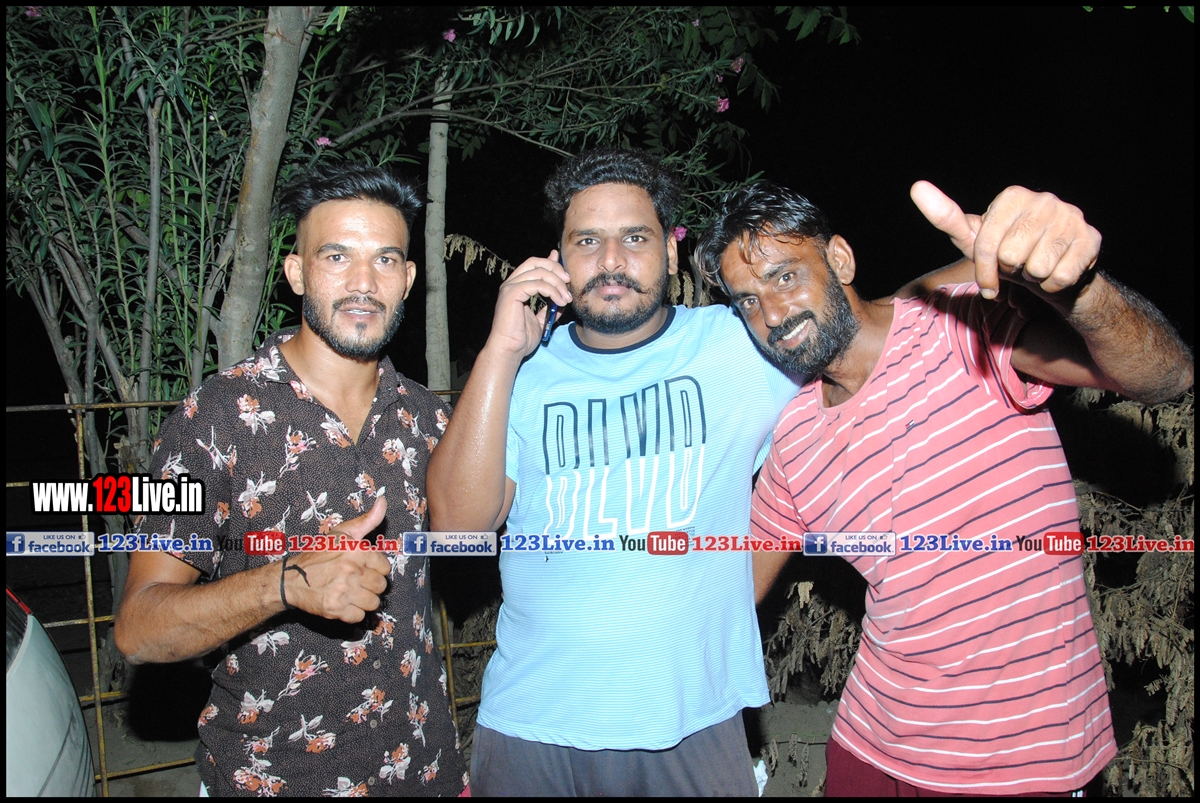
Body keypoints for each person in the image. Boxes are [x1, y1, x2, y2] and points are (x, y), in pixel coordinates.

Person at [425, 149, 1018, 796]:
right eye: (587, 241)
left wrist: (1004, 260)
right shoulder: (520, 374)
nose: (612, 260)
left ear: (670, 254)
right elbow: (456, 528)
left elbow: (868, 320)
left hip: (693, 724)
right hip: (529, 726)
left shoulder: (742, 344)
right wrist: (501, 348)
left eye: (635, 238)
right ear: (558, 260)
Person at [694, 179, 1194, 796]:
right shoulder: (795, 436)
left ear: (840, 259)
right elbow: (731, 585)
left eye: (786, 276)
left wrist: (1080, 290)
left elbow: (1165, 376)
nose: (771, 314)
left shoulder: (959, 328)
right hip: (871, 746)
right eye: (747, 300)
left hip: (1025, 760)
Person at [113, 163, 467, 797]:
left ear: (409, 279)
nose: (364, 283)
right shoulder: (212, 418)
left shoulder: (432, 420)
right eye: (337, 256)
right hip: (271, 782)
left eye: (385, 260)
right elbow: (139, 628)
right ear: (297, 272)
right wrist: (285, 582)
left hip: (426, 773)